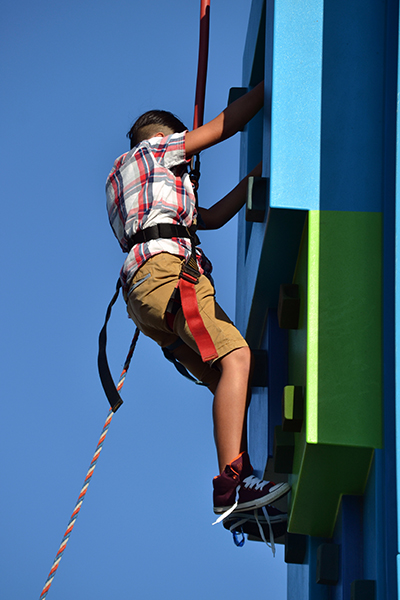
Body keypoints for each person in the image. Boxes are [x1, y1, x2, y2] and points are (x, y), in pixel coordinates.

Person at [106, 82, 290, 522]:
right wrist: (272, 83)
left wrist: (257, 175)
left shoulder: (132, 187)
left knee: (222, 377)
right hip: (169, 276)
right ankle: (233, 483)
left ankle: (241, 482)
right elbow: (224, 127)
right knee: (238, 357)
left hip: (145, 297)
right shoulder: (156, 152)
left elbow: (209, 219)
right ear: (163, 138)